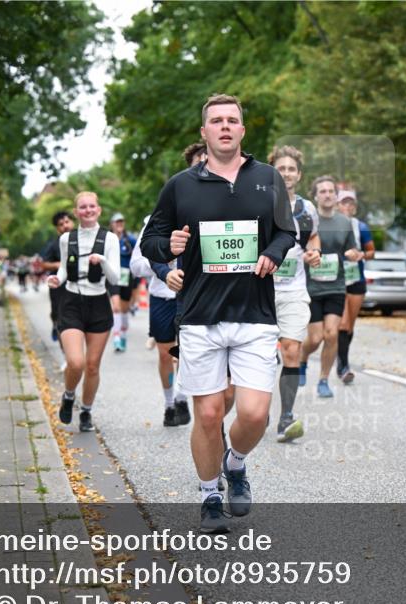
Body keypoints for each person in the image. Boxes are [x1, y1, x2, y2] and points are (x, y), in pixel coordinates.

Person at [140, 94, 298, 534]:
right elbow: (149, 240)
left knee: (253, 414)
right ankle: (210, 495)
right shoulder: (180, 185)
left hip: (254, 313)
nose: (225, 127)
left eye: (232, 120)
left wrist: (272, 250)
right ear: (205, 132)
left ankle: (236, 462)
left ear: (243, 130)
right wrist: (166, 248)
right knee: (208, 415)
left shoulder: (267, 179)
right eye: (216, 121)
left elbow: (288, 231)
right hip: (200, 315)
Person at [47, 191, 121, 433]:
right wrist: (56, 279)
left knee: (92, 366)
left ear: (98, 210)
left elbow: (115, 277)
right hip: (71, 302)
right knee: (76, 362)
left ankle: (86, 411)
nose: (87, 210)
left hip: (99, 303)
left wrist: (102, 261)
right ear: (76, 212)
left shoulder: (109, 239)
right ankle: (69, 395)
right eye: (82, 207)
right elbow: (63, 269)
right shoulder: (67, 238)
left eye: (92, 207)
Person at [268, 144, 322, 442]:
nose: (286, 173)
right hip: (260, 289)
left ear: (298, 175)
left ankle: (286, 416)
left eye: (291, 169)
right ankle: (259, 409)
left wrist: (314, 254)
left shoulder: (307, 209)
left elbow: (313, 239)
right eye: (281, 168)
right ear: (272, 171)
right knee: (261, 356)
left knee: (291, 349)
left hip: (294, 290)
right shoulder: (259, 203)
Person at [300, 176, 361, 398]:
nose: (327, 195)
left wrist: (353, 254)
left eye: (330, 191)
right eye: (322, 191)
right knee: (315, 338)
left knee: (332, 334)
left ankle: (323, 380)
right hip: (311, 287)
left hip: (336, 286)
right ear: (315, 196)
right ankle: (302, 358)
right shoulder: (307, 221)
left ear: (336, 196)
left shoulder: (344, 223)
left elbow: (353, 251)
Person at [129, 239, 191, 428]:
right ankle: (169, 404)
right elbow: (136, 266)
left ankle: (181, 397)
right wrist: (163, 262)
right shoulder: (153, 223)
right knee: (165, 355)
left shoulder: (194, 214)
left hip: (190, 296)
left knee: (187, 352)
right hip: (162, 298)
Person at [335, 188, 375, 385]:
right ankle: (343, 366)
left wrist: (361, 255)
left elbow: (371, 251)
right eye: (344, 202)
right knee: (342, 323)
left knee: (350, 325)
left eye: (351, 203)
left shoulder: (361, 227)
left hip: (356, 277)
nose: (347, 206)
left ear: (355, 207)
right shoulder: (331, 225)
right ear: (337, 205)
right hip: (338, 277)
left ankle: (342, 356)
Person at [41, 211, 75, 345]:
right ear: (57, 228)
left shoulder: (81, 240)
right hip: (58, 288)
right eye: (61, 224)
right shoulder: (54, 245)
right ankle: (65, 350)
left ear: (73, 222)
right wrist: (57, 264)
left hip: (78, 286)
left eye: (67, 222)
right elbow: (44, 264)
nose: (65, 226)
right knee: (59, 317)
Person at [108, 212, 140, 353]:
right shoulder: (108, 239)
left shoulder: (130, 240)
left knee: (124, 309)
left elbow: (138, 257)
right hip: (113, 277)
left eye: (121, 222)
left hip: (127, 277)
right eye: (117, 222)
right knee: (116, 307)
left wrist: (137, 280)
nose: (119, 224)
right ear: (112, 224)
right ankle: (116, 338)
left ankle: (123, 334)